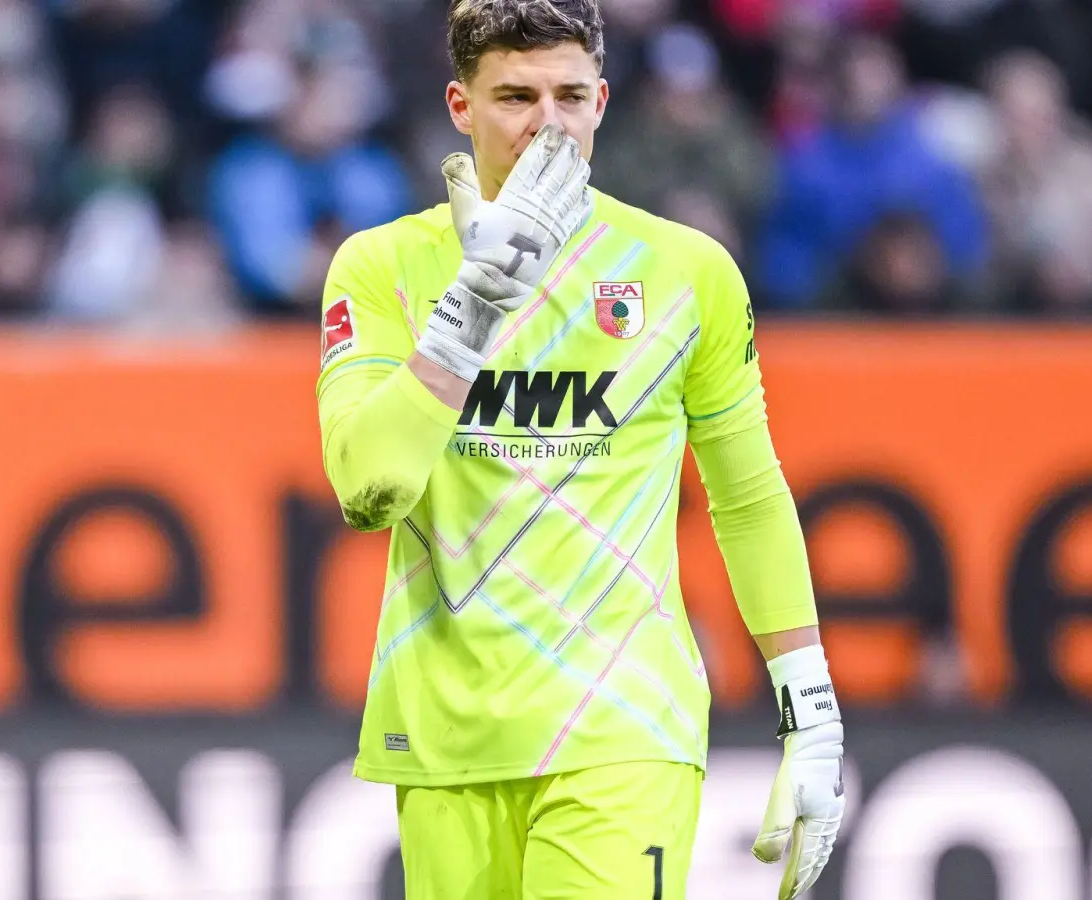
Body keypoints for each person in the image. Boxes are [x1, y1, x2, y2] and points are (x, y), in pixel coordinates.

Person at [314, 2, 843, 897]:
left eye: (569, 96)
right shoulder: (380, 267)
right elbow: (369, 489)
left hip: (625, 723)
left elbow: (748, 494)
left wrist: (811, 707)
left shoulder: (687, 271)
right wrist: (466, 318)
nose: (546, 126)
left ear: (602, 102)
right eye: (515, 96)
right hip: (445, 732)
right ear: (460, 105)